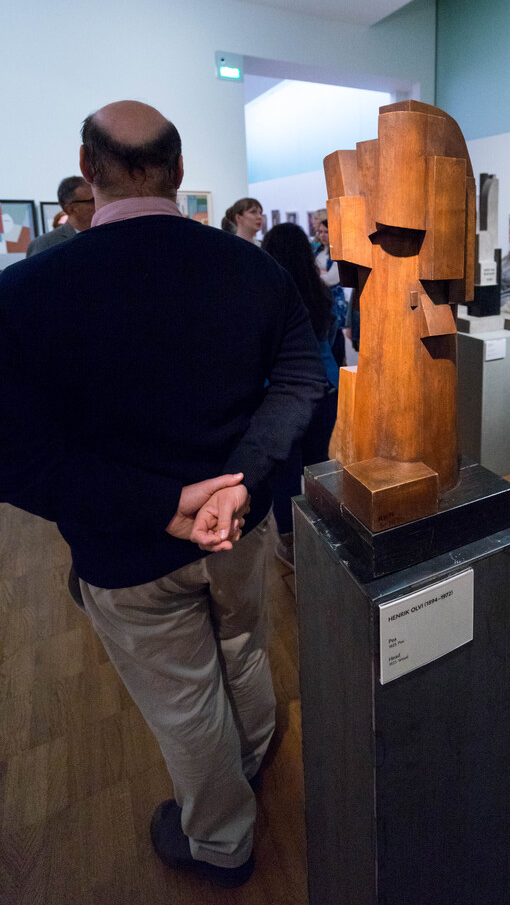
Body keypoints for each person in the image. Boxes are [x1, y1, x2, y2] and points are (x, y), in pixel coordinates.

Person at [0, 101, 326, 887]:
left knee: (185, 699)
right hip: (238, 523)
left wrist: (166, 505)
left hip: (126, 546)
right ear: (179, 171)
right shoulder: (251, 268)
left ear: (89, 167)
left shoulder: (25, 291)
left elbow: (21, 459)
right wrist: (238, 484)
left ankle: (221, 841)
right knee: (243, 649)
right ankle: (252, 757)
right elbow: (300, 378)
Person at [262, 222, 340, 568]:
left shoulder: (266, 294)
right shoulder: (319, 290)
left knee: (285, 474)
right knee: (319, 464)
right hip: (325, 387)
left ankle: (292, 545)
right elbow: (331, 336)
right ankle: (322, 533)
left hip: (282, 395)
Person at [26, 175, 95, 255]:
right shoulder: (45, 244)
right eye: (92, 201)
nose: (99, 204)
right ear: (69, 208)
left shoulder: (104, 236)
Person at [314, 210, 347, 365]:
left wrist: (319, 275)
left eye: (326, 232)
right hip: (321, 302)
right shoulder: (318, 251)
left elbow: (332, 279)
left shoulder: (336, 252)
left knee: (336, 342)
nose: (322, 235)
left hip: (334, 303)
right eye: (320, 232)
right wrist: (321, 274)